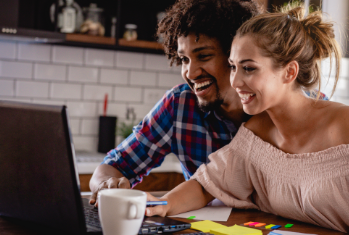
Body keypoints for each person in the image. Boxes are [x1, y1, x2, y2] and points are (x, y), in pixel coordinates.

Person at [145, 4, 349, 233]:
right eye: (233, 67)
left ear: (289, 72)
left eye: (249, 69)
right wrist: (162, 205)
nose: (235, 82)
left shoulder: (344, 126)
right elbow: (205, 186)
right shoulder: (255, 134)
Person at [89, 0, 261, 205]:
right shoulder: (179, 105)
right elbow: (113, 166)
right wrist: (106, 185)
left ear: (236, 55)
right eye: (184, 60)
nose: (190, 72)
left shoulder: (270, 109)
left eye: (204, 56)